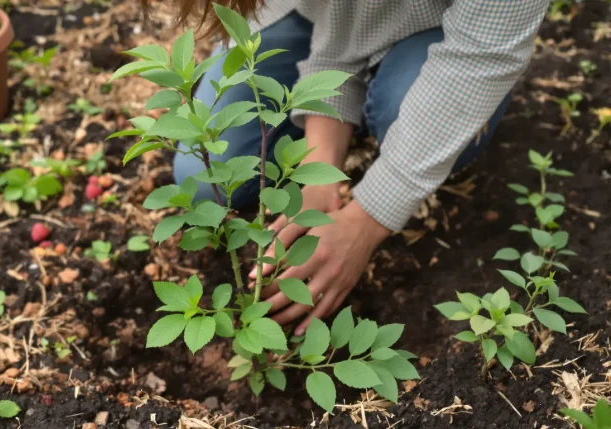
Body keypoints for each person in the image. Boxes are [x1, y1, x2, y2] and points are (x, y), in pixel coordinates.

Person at [158, 0, 548, 335]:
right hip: (313, 14)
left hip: (446, 23)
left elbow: (484, 54)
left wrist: (369, 218)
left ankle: (404, 97)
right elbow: (343, 23)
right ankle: (362, 107)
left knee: (400, 111)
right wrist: (317, 167)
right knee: (202, 181)